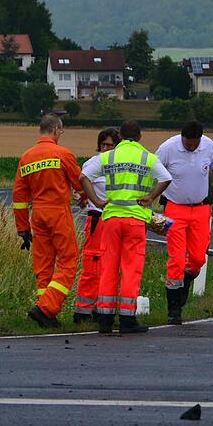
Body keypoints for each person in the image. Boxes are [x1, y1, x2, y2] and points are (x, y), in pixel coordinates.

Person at [80, 120, 171, 334]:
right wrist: (150, 197)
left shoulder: (108, 156)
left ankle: (104, 319)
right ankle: (127, 319)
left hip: (110, 218)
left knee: (108, 267)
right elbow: (166, 178)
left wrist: (97, 200)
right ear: (139, 136)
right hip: (135, 219)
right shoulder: (147, 157)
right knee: (131, 268)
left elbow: (83, 177)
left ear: (120, 135)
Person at [12, 113, 82, 329]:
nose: (61, 134)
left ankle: (45, 312)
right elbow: (79, 183)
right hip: (58, 213)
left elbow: (19, 197)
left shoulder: (26, 157)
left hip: (38, 216)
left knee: (44, 266)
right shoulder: (63, 154)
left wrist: (22, 228)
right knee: (69, 261)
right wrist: (87, 197)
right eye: (61, 131)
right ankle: (45, 308)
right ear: (54, 130)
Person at [155, 120, 213, 325]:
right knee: (176, 259)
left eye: (195, 144)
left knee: (197, 258)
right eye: (188, 144)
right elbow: (154, 173)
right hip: (175, 209)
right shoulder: (168, 148)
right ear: (182, 138)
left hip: (201, 209)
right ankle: (174, 308)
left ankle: (185, 283)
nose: (192, 147)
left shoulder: (209, 146)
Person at [73, 127, 120, 324]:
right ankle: (83, 310)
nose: (106, 148)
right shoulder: (92, 164)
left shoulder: (121, 166)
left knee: (110, 267)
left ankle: (102, 308)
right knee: (92, 265)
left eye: (110, 144)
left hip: (116, 220)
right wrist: (83, 198)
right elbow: (82, 188)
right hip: (97, 218)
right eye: (103, 144)